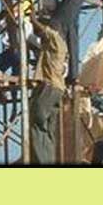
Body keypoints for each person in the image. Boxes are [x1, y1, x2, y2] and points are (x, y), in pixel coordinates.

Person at [29, 14, 67, 164]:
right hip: (57, 89)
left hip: (50, 86)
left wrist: (33, 19)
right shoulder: (54, 46)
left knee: (36, 121)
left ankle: (41, 161)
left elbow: (47, 32)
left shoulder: (56, 39)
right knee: (49, 129)